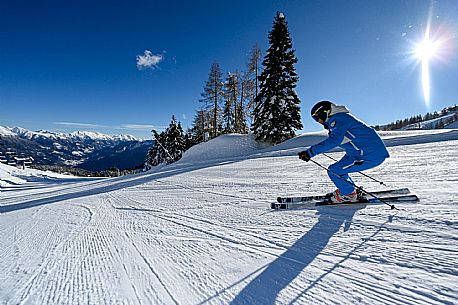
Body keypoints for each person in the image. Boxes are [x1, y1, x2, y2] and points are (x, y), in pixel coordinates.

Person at [298, 101, 389, 203]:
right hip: (358, 153)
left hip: (369, 155)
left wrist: (310, 152)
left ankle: (349, 195)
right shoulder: (338, 120)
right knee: (336, 169)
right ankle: (349, 190)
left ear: (323, 112)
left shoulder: (338, 119)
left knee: (335, 171)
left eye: (316, 118)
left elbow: (334, 141)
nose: (318, 121)